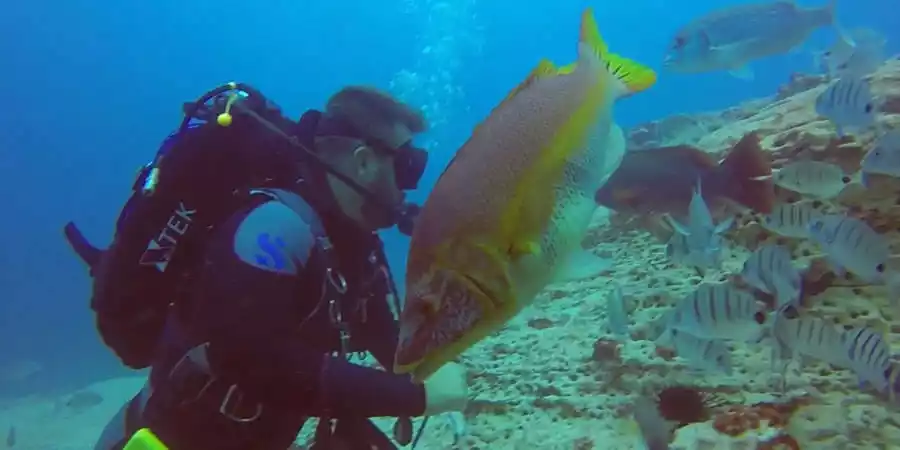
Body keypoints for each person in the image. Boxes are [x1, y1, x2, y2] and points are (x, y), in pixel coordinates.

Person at [66, 84, 469, 450]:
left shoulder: (354, 246)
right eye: (408, 166)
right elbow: (253, 361)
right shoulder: (276, 226)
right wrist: (416, 397)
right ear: (363, 162)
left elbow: (383, 335)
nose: (409, 186)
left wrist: (427, 368)